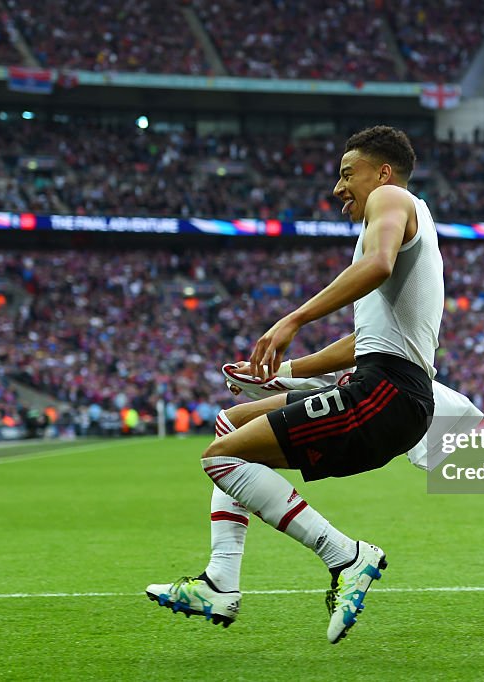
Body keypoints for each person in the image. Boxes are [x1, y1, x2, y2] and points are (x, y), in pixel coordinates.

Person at [147, 126, 444, 644]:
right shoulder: (400, 230)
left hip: (387, 394)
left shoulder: (393, 200)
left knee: (221, 458)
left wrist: (293, 319)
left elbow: (377, 266)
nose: (337, 188)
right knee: (232, 424)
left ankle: (347, 557)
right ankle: (221, 580)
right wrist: (282, 373)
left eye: (347, 174)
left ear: (384, 173)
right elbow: (362, 342)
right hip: (384, 387)